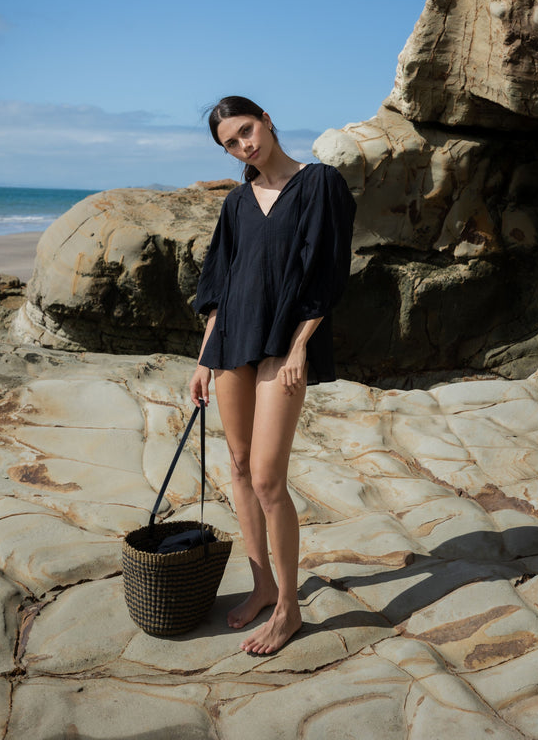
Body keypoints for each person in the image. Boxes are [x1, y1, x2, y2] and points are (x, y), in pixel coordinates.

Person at [189, 95, 356, 655]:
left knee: (266, 479)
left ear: (266, 119)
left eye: (247, 130)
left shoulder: (320, 184)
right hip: (233, 338)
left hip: (284, 343)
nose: (245, 145)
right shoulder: (236, 203)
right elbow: (220, 284)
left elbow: (328, 273)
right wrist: (202, 360)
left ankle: (289, 608)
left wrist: (299, 348)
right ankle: (263, 585)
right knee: (237, 465)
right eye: (232, 143)